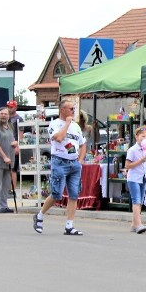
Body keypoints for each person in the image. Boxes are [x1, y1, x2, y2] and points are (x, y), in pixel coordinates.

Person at [33, 100, 87, 235]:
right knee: (57, 194)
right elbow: (58, 138)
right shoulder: (55, 124)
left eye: (74, 109)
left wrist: (80, 160)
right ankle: (39, 215)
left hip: (74, 163)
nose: (74, 111)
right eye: (71, 109)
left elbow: (83, 143)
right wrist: (67, 123)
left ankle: (69, 225)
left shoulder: (76, 127)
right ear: (63, 110)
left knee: (74, 194)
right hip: (60, 161)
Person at [124, 126, 146, 234]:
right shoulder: (132, 150)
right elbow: (128, 165)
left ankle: (134, 224)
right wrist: (140, 161)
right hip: (133, 179)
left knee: (140, 202)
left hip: (142, 178)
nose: (144, 138)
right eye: (142, 136)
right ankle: (138, 224)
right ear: (136, 137)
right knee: (136, 201)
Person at [0, 107, 18, 213]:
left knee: (6, 183)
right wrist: (4, 156)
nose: (4, 115)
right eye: (2, 113)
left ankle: (3, 205)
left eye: (6, 114)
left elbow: (12, 140)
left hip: (9, 160)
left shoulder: (9, 126)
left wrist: (15, 144)